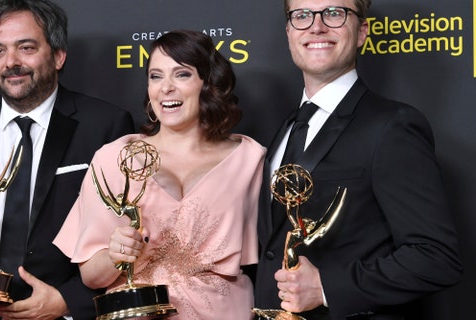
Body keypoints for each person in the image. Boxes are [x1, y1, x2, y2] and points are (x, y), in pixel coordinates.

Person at [0, 0, 134, 319]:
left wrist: (69, 300)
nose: (10, 63)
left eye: (26, 47)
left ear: (58, 55)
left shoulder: (105, 125)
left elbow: (125, 240)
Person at [254, 0, 463, 319]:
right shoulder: (285, 128)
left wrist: (326, 287)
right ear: (289, 32)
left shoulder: (393, 126)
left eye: (334, 13)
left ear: (362, 31)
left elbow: (436, 257)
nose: (316, 25)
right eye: (302, 15)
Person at [53, 30, 266, 319]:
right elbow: (92, 276)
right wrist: (116, 255)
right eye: (156, 76)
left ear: (208, 83)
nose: (165, 88)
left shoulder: (250, 159)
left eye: (181, 74)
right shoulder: (114, 158)